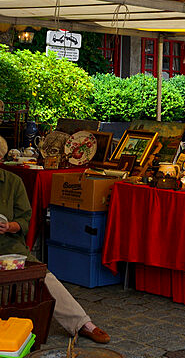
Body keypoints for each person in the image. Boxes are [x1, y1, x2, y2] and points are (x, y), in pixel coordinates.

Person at [0, 139, 110, 343]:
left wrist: (9, 226)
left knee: (43, 278)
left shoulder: (13, 182)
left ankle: (83, 324)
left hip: (9, 249)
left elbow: (24, 220)